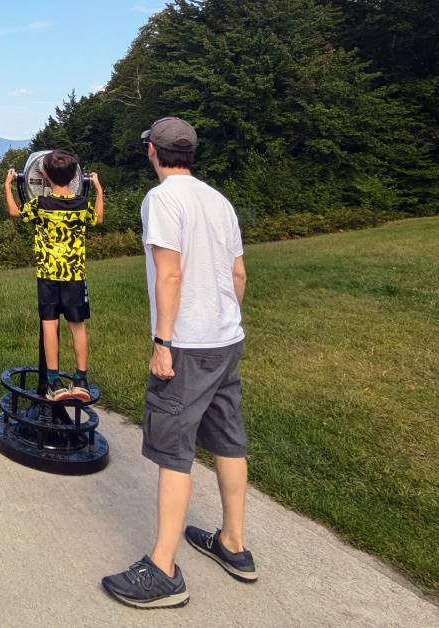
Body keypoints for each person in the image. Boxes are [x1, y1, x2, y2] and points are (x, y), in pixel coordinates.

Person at [101, 117, 254, 609]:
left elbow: (169, 274)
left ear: (152, 151)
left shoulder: (162, 200)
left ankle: (163, 569)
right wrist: (225, 321)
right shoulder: (218, 200)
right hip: (226, 338)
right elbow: (238, 273)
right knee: (229, 439)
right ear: (190, 152)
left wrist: (163, 341)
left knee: (173, 449)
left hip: (186, 344)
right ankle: (233, 543)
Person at [3, 150, 104, 401]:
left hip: (48, 274)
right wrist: (98, 189)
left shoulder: (41, 205)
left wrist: (8, 184)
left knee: (50, 324)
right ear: (76, 178)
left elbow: (15, 213)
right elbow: (98, 219)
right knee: (77, 326)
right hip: (74, 275)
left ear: (43, 174)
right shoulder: (82, 205)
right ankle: (81, 380)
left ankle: (53, 381)